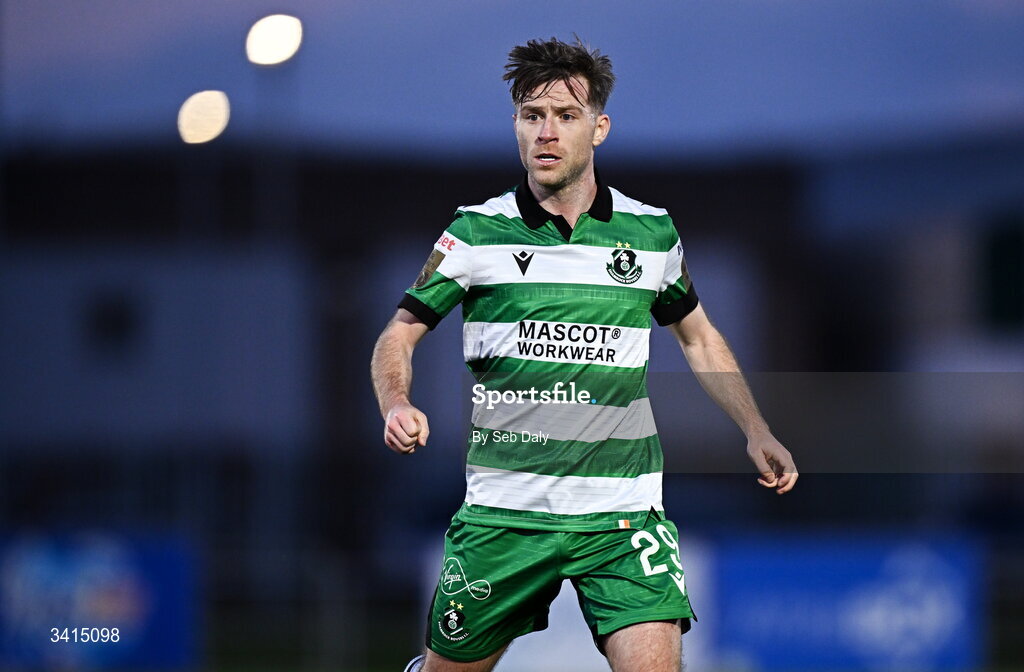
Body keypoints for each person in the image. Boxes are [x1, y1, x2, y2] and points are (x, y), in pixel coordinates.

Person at [371, 36, 798, 672]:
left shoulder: (650, 233)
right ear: (515, 125)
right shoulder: (474, 232)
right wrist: (396, 401)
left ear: (598, 128)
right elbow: (398, 334)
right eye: (531, 115)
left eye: (566, 116)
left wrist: (755, 427)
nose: (547, 132)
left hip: (622, 517)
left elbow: (699, 335)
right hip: (507, 516)